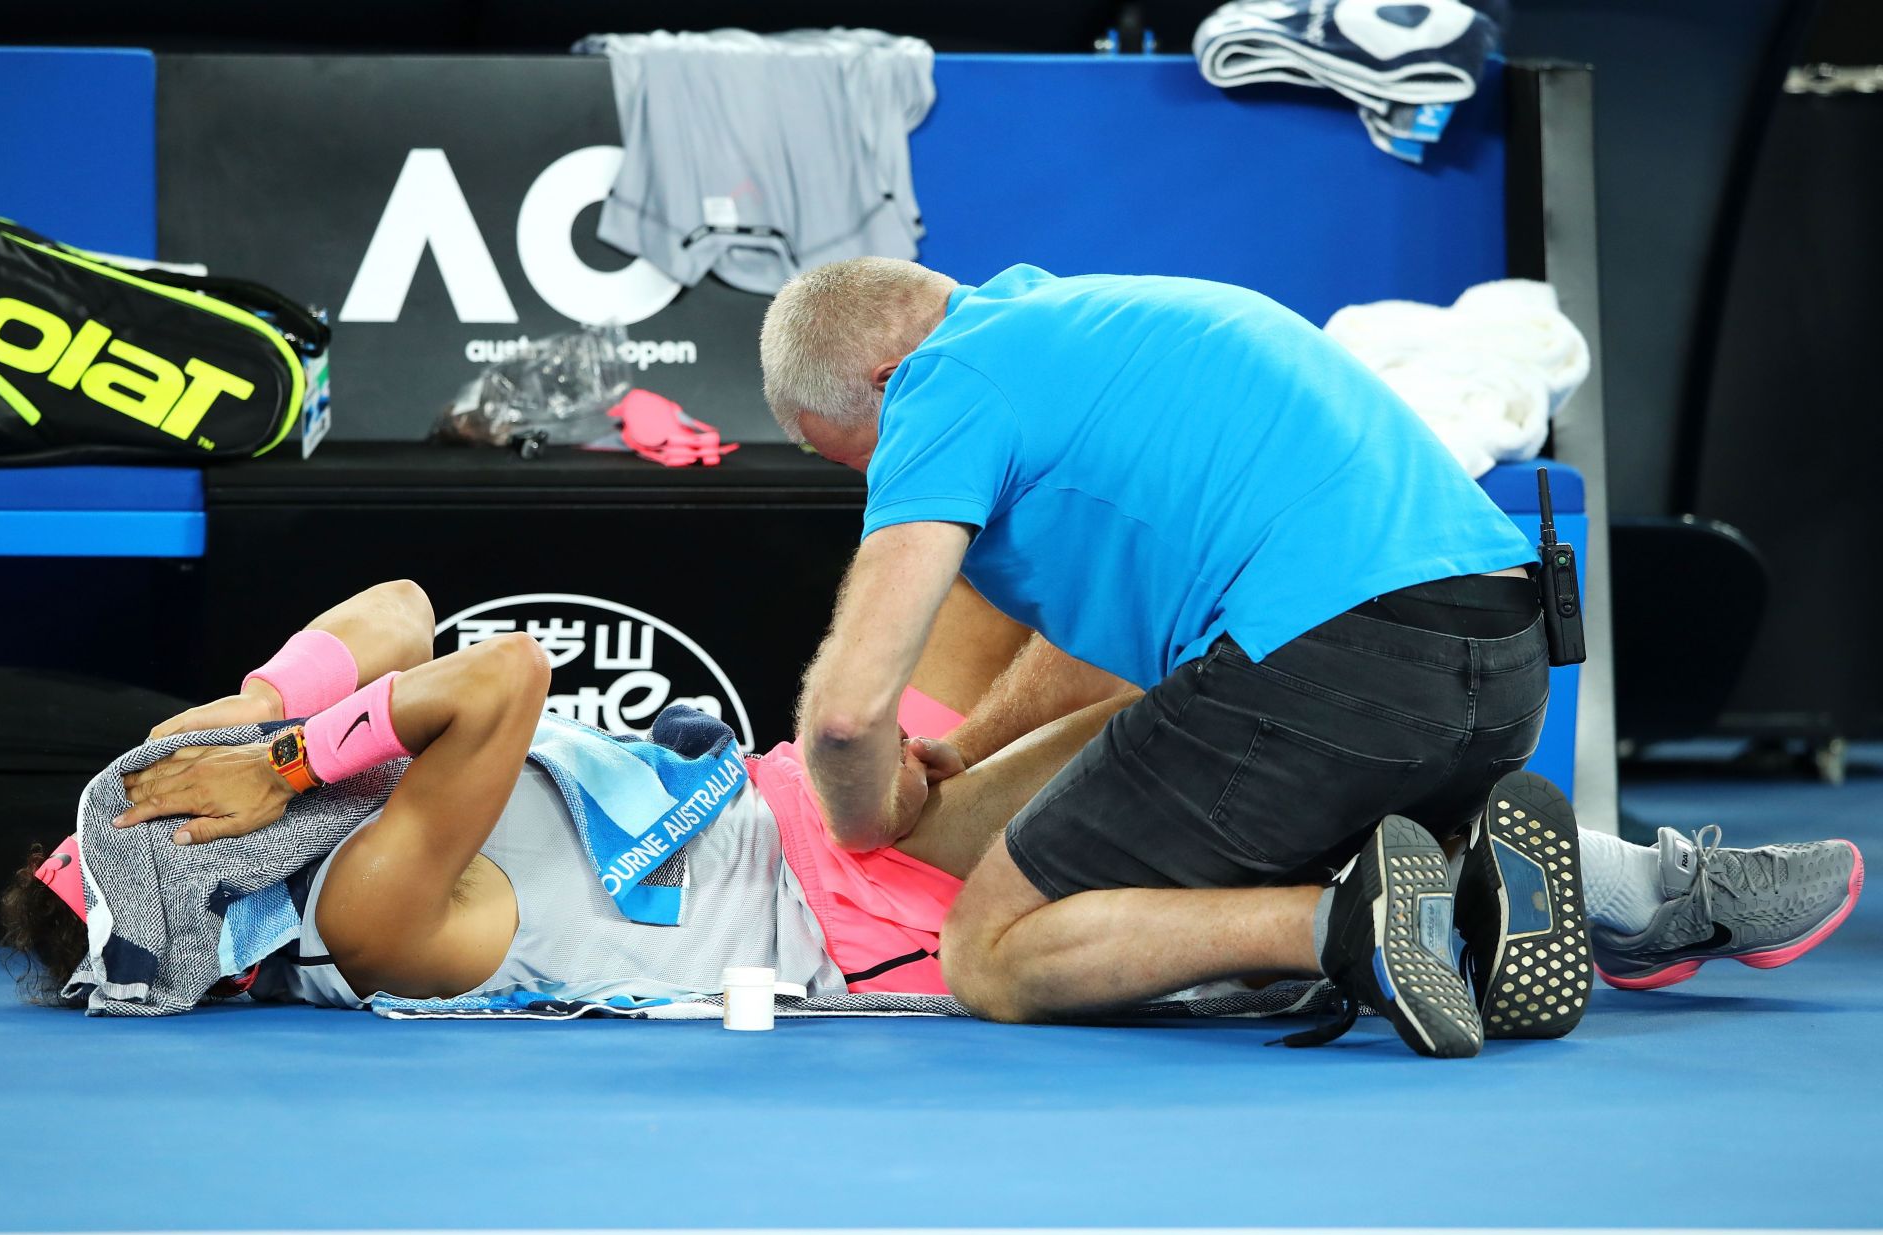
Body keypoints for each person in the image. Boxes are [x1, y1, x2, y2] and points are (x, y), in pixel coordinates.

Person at [757, 258, 1856, 1056]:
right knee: (1213, 750)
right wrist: (961, 744)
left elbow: (849, 718)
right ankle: (1631, 890)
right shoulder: (1087, 322)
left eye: (844, 453)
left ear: (887, 381)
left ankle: (1349, 922)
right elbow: (1114, 651)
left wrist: (861, 810)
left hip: (1332, 671)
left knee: (989, 950)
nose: (871, 479)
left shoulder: (940, 387)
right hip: (1500, 659)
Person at [0, 579, 1860, 1022]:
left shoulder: (301, 792)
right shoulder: (370, 911)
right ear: (195, 869)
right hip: (856, 917)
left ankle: (1517, 879)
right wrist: (294, 752)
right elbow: (493, 669)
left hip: (819, 815)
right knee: (1190, 730)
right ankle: (1622, 895)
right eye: (171, 793)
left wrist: (243, 709)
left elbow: (402, 614)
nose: (202, 770)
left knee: (1024, 574)